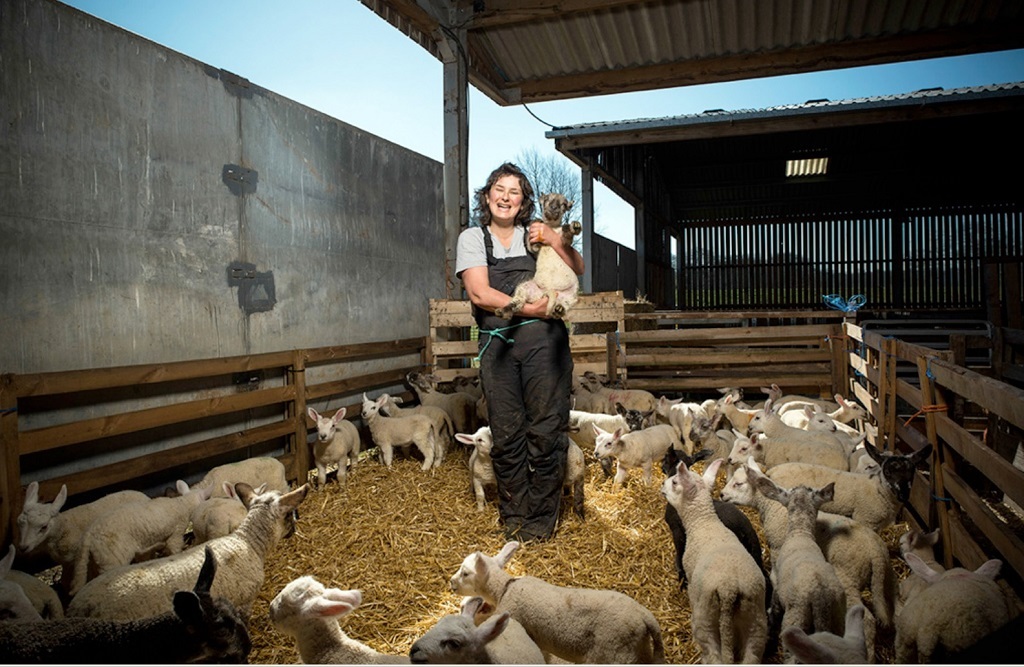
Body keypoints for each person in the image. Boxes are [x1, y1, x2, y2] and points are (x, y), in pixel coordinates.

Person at [455, 162, 585, 542]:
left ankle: (541, 523)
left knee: (545, 431)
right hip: (499, 347)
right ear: (487, 195)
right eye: (499, 188)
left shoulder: (536, 233)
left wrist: (555, 239)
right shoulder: (474, 238)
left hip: (546, 349)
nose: (506, 196)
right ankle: (513, 516)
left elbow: (579, 267)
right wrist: (538, 308)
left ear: (524, 201)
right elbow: (480, 293)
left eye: (515, 191)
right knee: (507, 433)